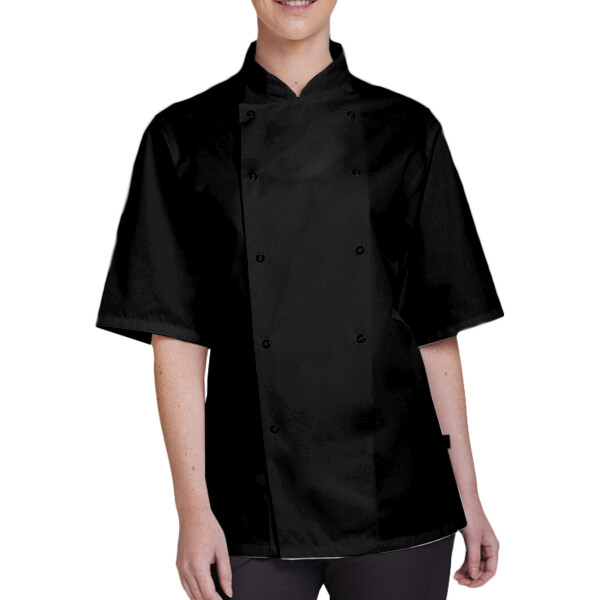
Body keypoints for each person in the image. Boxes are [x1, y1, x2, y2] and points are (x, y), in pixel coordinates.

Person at [95, 0, 505, 598]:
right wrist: (192, 511)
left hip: (401, 502)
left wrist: (468, 497)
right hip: (249, 509)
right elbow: (176, 339)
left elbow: (435, 331)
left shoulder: (408, 129)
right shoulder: (182, 136)